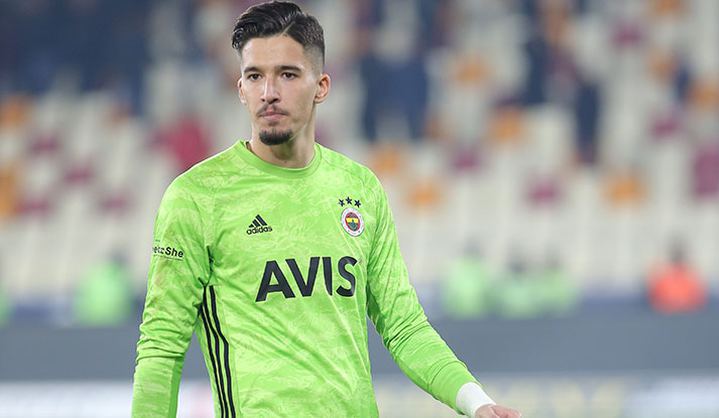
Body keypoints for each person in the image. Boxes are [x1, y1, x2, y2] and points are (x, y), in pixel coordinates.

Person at [131, 2, 520, 417]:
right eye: (255, 76)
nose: (269, 92)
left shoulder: (359, 188)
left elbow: (405, 327)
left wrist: (477, 403)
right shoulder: (199, 196)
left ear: (321, 86)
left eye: (287, 74)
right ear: (240, 89)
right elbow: (162, 345)